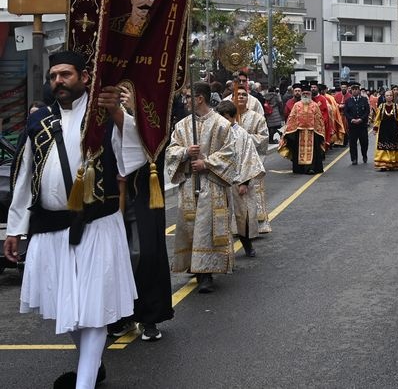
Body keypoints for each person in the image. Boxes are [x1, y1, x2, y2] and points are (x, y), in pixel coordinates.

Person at [4, 51, 144, 388]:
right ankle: (92, 368)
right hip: (50, 228)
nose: (58, 82)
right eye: (53, 76)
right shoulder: (39, 122)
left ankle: (84, 383)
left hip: (96, 225)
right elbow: (24, 178)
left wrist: (118, 114)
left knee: (93, 308)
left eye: (65, 75)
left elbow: (134, 157)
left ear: (84, 77)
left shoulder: (105, 117)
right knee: (63, 306)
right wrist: (14, 229)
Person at [167, 82, 242, 295]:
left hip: (212, 183)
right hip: (190, 184)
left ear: (200, 98)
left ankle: (206, 274)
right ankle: (195, 266)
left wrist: (206, 162)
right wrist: (185, 152)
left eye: (189, 97)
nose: (185, 101)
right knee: (190, 227)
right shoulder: (182, 125)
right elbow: (171, 151)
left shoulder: (221, 125)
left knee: (206, 229)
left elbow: (230, 154)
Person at [113, 88, 173, 343]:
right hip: (110, 196)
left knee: (145, 253)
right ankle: (120, 315)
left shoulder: (151, 119)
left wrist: (136, 111)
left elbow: (155, 142)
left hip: (143, 193)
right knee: (115, 257)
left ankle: (149, 316)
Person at [216, 100, 265, 258]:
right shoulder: (217, 133)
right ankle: (223, 252)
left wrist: (244, 182)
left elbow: (249, 158)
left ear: (232, 117)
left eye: (225, 118)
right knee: (221, 217)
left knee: (242, 216)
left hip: (239, 181)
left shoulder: (242, 135)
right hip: (220, 180)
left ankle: (247, 244)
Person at [234, 87, 272, 234]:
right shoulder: (227, 118)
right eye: (239, 95)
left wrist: (245, 139)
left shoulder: (257, 118)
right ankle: (236, 227)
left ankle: (257, 225)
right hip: (234, 162)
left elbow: (263, 138)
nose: (241, 97)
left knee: (253, 193)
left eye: (244, 95)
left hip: (252, 161)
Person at [279, 86, 327, 175]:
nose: (305, 95)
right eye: (304, 94)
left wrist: (318, 131)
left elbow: (319, 119)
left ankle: (311, 168)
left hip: (312, 132)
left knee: (313, 151)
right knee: (297, 150)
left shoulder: (315, 105)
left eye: (307, 94)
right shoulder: (297, 105)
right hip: (299, 132)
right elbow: (291, 118)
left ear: (310, 95)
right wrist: (289, 130)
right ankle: (299, 169)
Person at [372, 90, 398, 171]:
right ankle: (383, 164)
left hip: (394, 129)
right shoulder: (381, 106)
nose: (389, 97)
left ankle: (393, 163)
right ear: (384, 97)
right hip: (383, 129)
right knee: (383, 146)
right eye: (387, 95)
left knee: (393, 146)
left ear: (392, 97)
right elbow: (377, 118)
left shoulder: (397, 106)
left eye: (390, 95)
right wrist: (375, 128)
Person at [344, 84, 371, 165]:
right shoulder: (348, 101)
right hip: (352, 126)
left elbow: (367, 111)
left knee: (364, 142)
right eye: (353, 89)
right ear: (351, 91)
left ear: (359, 90)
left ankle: (364, 155)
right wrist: (351, 119)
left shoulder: (364, 99)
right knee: (352, 143)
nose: (355, 91)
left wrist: (361, 119)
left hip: (362, 125)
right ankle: (354, 158)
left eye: (356, 89)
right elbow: (346, 112)